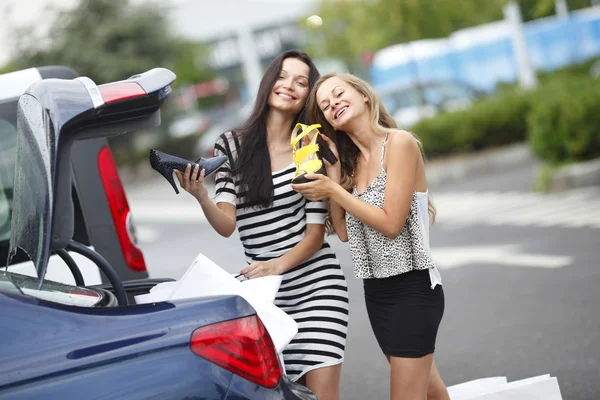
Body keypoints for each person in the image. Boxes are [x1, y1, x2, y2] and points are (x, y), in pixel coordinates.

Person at [174, 50, 348, 400]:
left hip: (317, 288)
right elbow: (226, 224)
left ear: (308, 94)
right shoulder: (232, 145)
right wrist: (201, 196)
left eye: (301, 82)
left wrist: (275, 267)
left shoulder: (309, 147)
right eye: (282, 77)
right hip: (266, 298)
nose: (289, 86)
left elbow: (315, 235)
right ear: (268, 83)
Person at [291, 72, 450, 400]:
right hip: (377, 293)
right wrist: (334, 174)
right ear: (329, 123)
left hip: (413, 288)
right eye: (325, 105)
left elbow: (391, 223)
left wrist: (333, 189)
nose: (333, 103)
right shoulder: (351, 166)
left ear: (364, 95)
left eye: (339, 93)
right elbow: (346, 233)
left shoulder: (399, 143)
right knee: (431, 393)